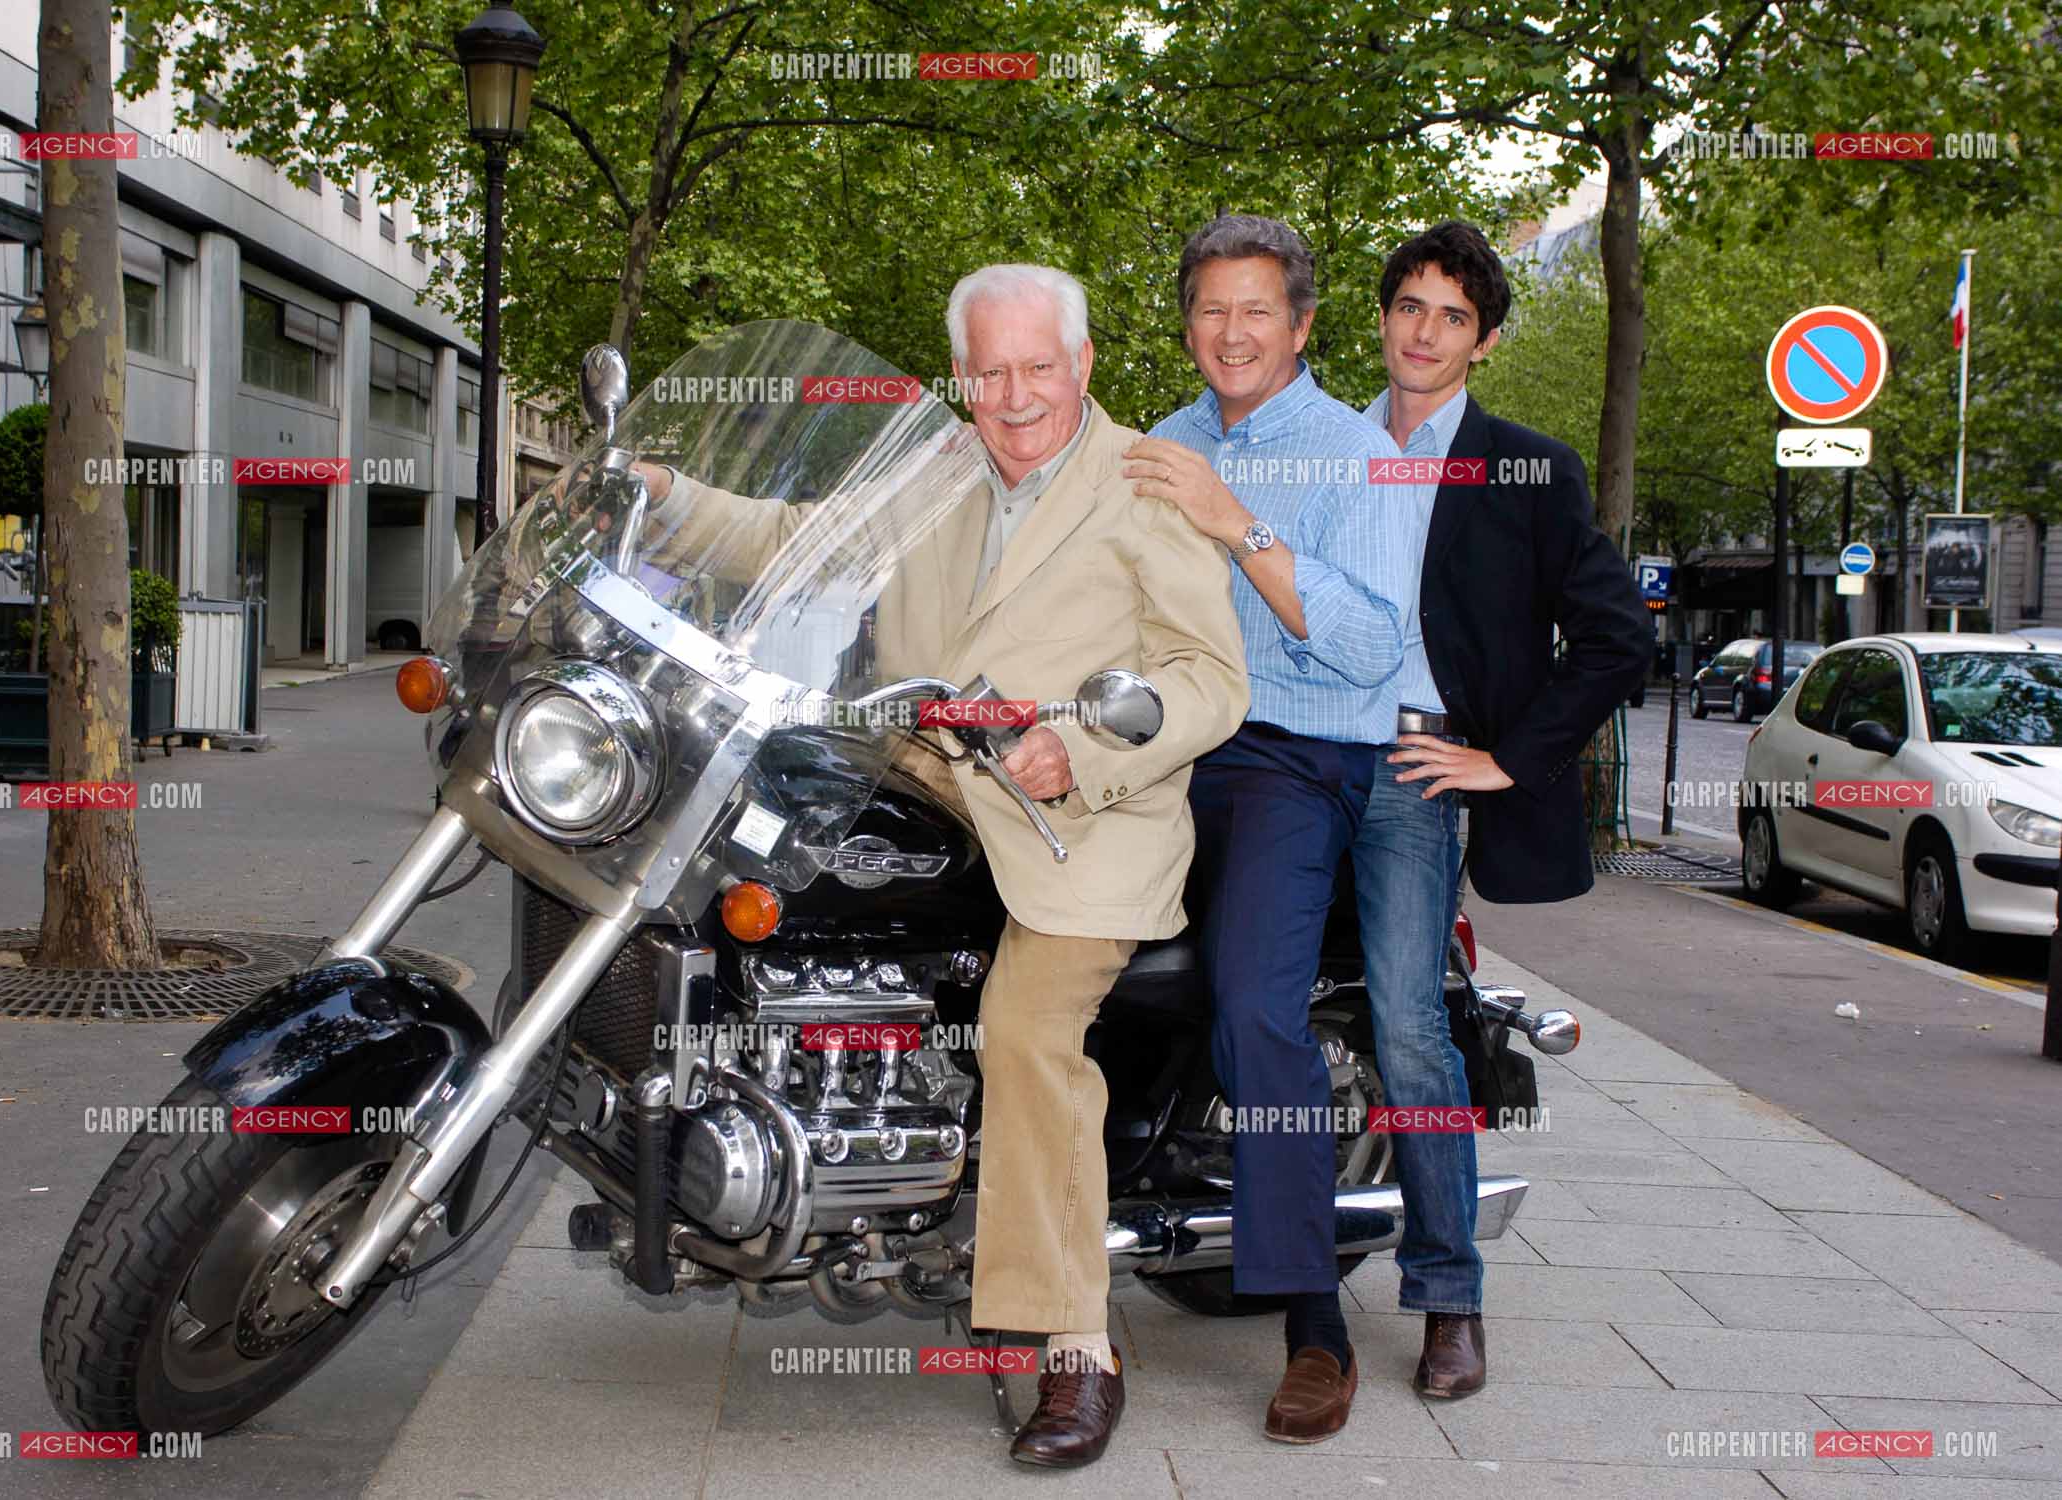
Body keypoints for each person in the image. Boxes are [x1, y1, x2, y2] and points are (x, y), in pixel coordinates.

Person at [635, 264, 1248, 1468]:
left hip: (1079, 826)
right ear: (961, 373)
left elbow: (1210, 678)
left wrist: (1077, 747)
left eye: (1038, 368)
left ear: (1081, 365)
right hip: (914, 784)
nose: (1014, 397)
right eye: (990, 371)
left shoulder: (1148, 491)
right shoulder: (935, 468)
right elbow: (790, 538)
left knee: (1023, 1033)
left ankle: (1075, 1345)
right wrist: (655, 493)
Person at [1123, 214, 1421, 1444]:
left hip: (1292, 756)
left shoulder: (1359, 456)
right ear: (1188, 323)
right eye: (1209, 309)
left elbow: (1363, 645)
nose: (1230, 331)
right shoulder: (1159, 442)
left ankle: (1315, 1322)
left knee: (1255, 1004)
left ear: (1300, 326)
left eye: (1257, 309)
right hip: (1154, 741)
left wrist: (1234, 517)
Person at [1366, 220, 1654, 1394]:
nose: (1425, 332)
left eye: (1452, 316)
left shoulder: (1525, 467)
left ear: (1482, 341)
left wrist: (1504, 760)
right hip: (1280, 758)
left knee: (1408, 1025)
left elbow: (1616, 636)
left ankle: (1446, 1294)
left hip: (1411, 774)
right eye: (1409, 306)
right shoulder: (1325, 447)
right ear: (1380, 318)